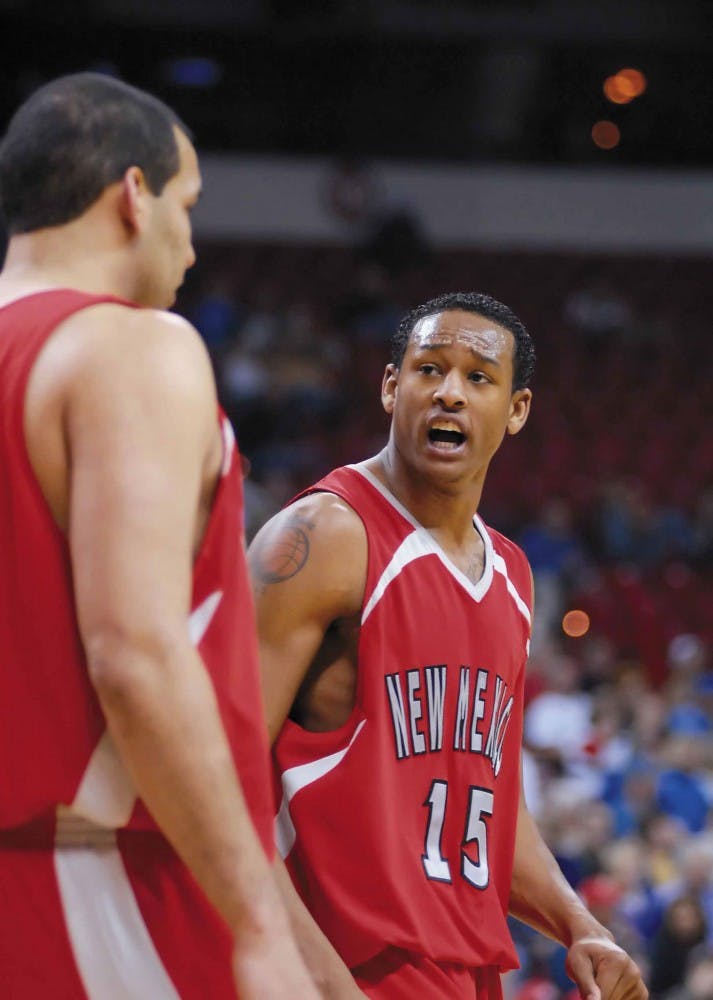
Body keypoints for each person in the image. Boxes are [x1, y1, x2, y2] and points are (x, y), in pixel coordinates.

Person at [0, 73, 318, 999]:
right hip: (92, 882)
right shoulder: (135, 346)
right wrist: (259, 923)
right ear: (132, 197)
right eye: (187, 204)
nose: (190, 238)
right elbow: (136, 655)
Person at [248, 291, 649, 999]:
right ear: (389, 386)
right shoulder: (324, 537)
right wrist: (311, 977)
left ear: (516, 409)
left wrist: (577, 923)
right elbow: (219, 778)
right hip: (339, 968)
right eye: (428, 369)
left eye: (477, 377)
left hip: (464, 974)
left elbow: (492, 802)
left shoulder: (513, 576)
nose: (448, 394)